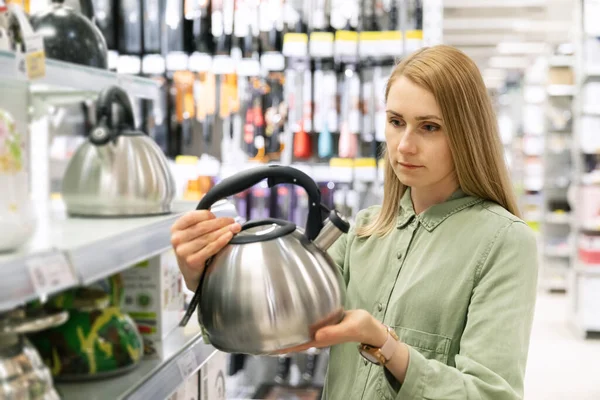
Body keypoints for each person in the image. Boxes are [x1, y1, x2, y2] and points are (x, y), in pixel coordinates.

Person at [170, 45, 538, 400]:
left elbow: (491, 394)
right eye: (396, 122)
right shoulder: (363, 231)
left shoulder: (504, 242)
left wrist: (387, 347)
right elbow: (282, 328)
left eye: (429, 127)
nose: (404, 145)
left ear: (467, 133)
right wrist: (204, 275)